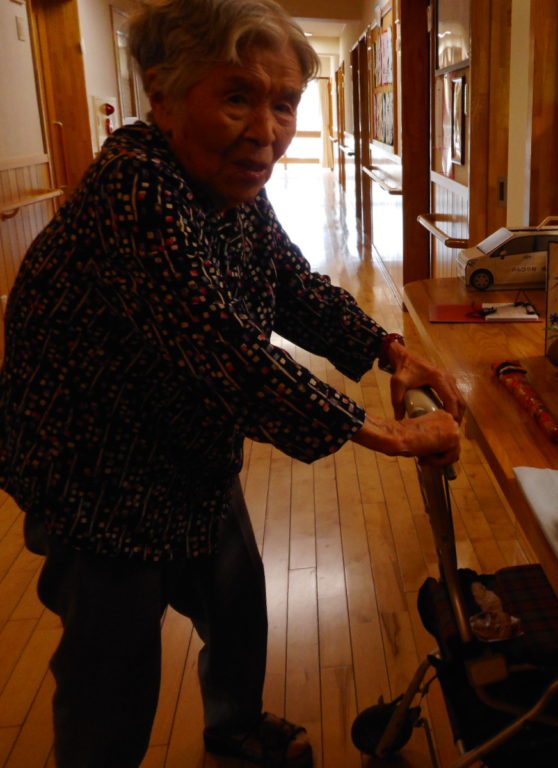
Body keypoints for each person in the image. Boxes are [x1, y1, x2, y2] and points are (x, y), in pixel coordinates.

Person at [0, 0, 464, 765]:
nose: (267, 130)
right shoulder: (138, 187)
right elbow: (223, 351)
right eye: (238, 96)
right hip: (96, 477)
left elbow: (289, 283)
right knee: (112, 675)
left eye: (284, 103)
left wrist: (388, 348)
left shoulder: (229, 187)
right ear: (164, 94)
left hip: (187, 457)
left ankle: (235, 729)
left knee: (239, 609)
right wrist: (383, 432)